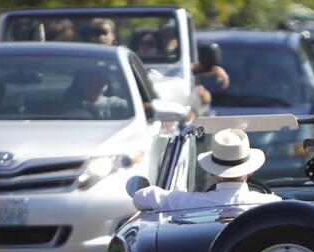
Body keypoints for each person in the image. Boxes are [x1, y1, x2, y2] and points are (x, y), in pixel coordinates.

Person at [133, 128, 281, 211]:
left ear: (212, 172)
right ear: (251, 171)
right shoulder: (271, 204)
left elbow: (141, 197)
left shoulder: (186, 203)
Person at [59, 67, 130, 119]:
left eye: (99, 78)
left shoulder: (117, 105)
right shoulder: (69, 108)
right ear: (80, 83)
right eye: (90, 79)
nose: (97, 82)